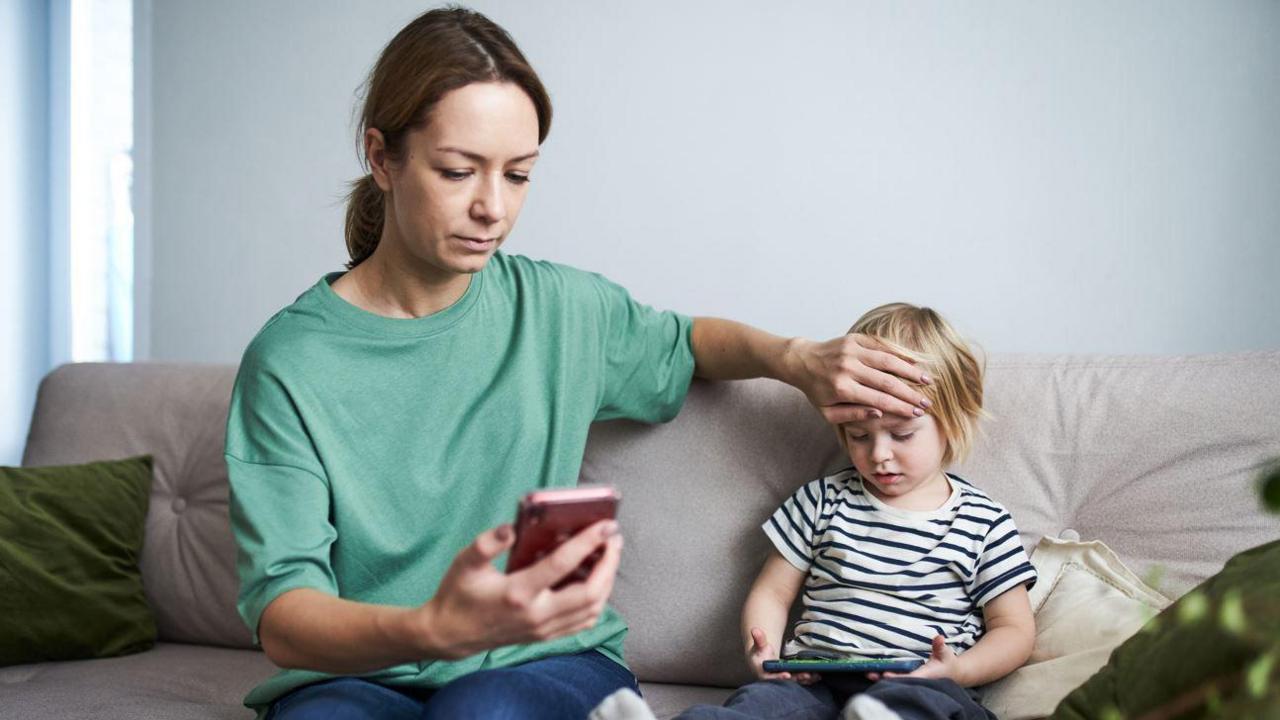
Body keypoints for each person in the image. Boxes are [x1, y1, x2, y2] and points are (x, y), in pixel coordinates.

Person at [225, 9, 933, 720]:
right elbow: (284, 616)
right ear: (382, 158)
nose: (492, 208)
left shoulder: (561, 309)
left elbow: (685, 343)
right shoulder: (291, 361)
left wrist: (792, 358)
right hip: (359, 675)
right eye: (457, 171)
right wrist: (429, 629)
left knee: (482, 713)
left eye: (519, 174)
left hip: (545, 661)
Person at [667, 303, 1038, 720]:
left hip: (918, 683)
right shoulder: (822, 501)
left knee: (924, 709)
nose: (879, 455)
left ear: (953, 420)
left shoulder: (984, 522)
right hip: (815, 681)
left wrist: (960, 669)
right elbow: (773, 591)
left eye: (901, 434)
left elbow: (1015, 630)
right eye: (859, 435)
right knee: (757, 707)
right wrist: (764, 650)